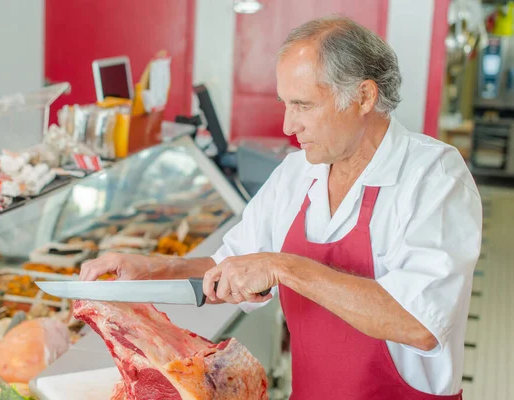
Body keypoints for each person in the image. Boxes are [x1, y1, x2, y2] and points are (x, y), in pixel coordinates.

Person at [80, 16, 482, 399]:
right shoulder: (296, 174)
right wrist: (152, 269)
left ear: (363, 96)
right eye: (285, 104)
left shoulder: (433, 176)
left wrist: (283, 266)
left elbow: (419, 323)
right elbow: (232, 267)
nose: (289, 126)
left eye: (303, 105)